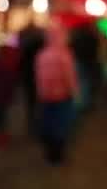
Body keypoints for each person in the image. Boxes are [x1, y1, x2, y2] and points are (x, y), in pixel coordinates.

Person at [35, 25, 78, 165]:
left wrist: (41, 92)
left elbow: (38, 76)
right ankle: (58, 156)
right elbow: (69, 76)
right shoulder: (64, 55)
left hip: (46, 96)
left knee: (49, 123)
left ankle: (49, 154)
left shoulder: (42, 55)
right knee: (60, 125)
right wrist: (73, 91)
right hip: (62, 95)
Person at [18, 22, 45, 136]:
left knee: (30, 103)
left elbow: (21, 64)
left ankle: (31, 126)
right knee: (39, 103)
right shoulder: (41, 48)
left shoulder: (24, 48)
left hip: (28, 77)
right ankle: (38, 126)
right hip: (39, 77)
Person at [69, 23, 102, 112]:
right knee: (87, 83)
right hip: (90, 62)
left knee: (82, 83)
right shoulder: (93, 38)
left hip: (80, 62)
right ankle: (85, 103)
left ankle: (81, 104)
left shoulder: (76, 38)